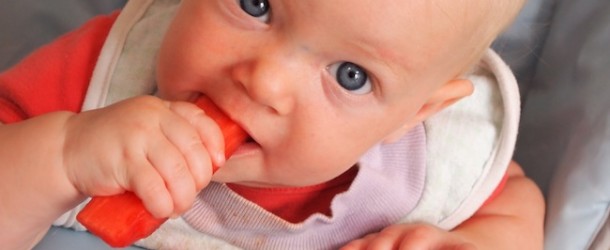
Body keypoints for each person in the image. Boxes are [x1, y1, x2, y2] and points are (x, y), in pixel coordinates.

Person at [0, 0, 544, 249]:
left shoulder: (431, 164)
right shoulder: (103, 79)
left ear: (414, 114)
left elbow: (513, 202)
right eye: (255, 4)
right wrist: (61, 155)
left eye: (350, 76)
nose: (264, 82)